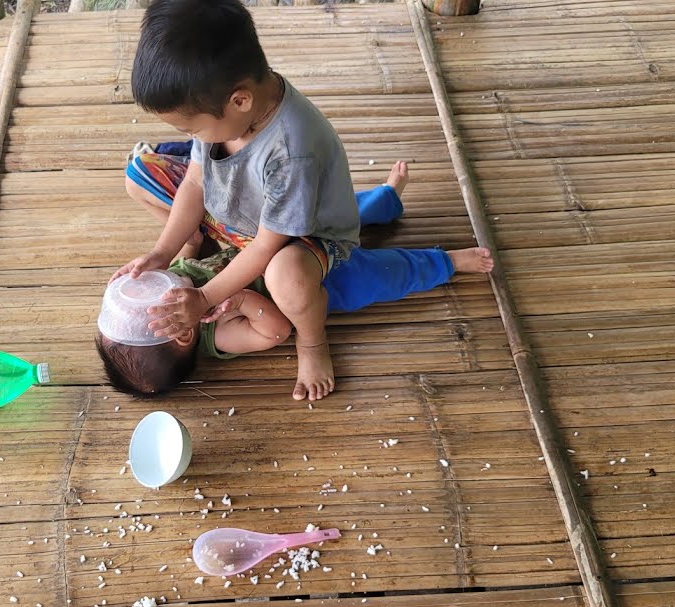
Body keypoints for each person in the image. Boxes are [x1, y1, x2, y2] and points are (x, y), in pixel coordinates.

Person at [114, 0, 363, 401]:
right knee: (138, 175)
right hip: (237, 217)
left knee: (288, 278)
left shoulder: (291, 149)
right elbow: (195, 183)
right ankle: (202, 240)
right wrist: (163, 252)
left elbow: (269, 244)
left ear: (240, 100)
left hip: (302, 237)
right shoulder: (225, 107)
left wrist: (205, 297)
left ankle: (313, 343)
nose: (191, 135)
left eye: (190, 127)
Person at [98, 164, 493, 398]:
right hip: (309, 279)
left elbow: (192, 261)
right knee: (383, 273)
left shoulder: (176, 285)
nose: (129, 293)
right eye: (134, 309)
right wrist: (237, 301)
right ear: (181, 335)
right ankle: (447, 263)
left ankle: (386, 200)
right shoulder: (214, 334)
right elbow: (274, 331)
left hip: (264, 240)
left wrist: (185, 243)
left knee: (330, 216)